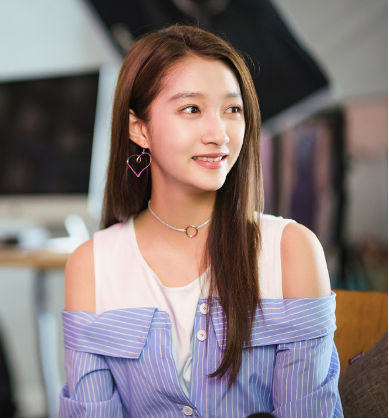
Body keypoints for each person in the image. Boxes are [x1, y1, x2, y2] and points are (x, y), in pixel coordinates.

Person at [60, 25, 342, 418]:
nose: (218, 134)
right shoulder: (91, 265)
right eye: (191, 109)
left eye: (232, 110)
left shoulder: (291, 250)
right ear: (139, 129)